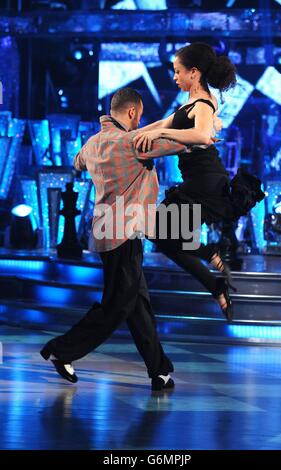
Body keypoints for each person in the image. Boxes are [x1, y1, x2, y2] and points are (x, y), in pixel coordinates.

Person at [40, 87, 209, 392]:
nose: (139, 122)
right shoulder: (134, 142)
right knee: (117, 306)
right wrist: (203, 137)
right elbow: (177, 145)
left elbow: (77, 162)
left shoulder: (93, 143)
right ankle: (61, 350)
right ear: (132, 113)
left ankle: (159, 371)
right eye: (139, 117)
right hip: (124, 235)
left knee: (137, 304)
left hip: (106, 232)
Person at [133, 42, 241, 320]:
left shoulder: (203, 103)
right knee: (163, 236)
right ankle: (215, 281)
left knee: (159, 232)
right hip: (198, 180)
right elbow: (162, 123)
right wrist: (125, 135)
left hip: (205, 181)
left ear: (194, 73)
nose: (174, 76)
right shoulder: (191, 103)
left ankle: (211, 254)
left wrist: (159, 137)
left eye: (177, 71)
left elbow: (202, 136)